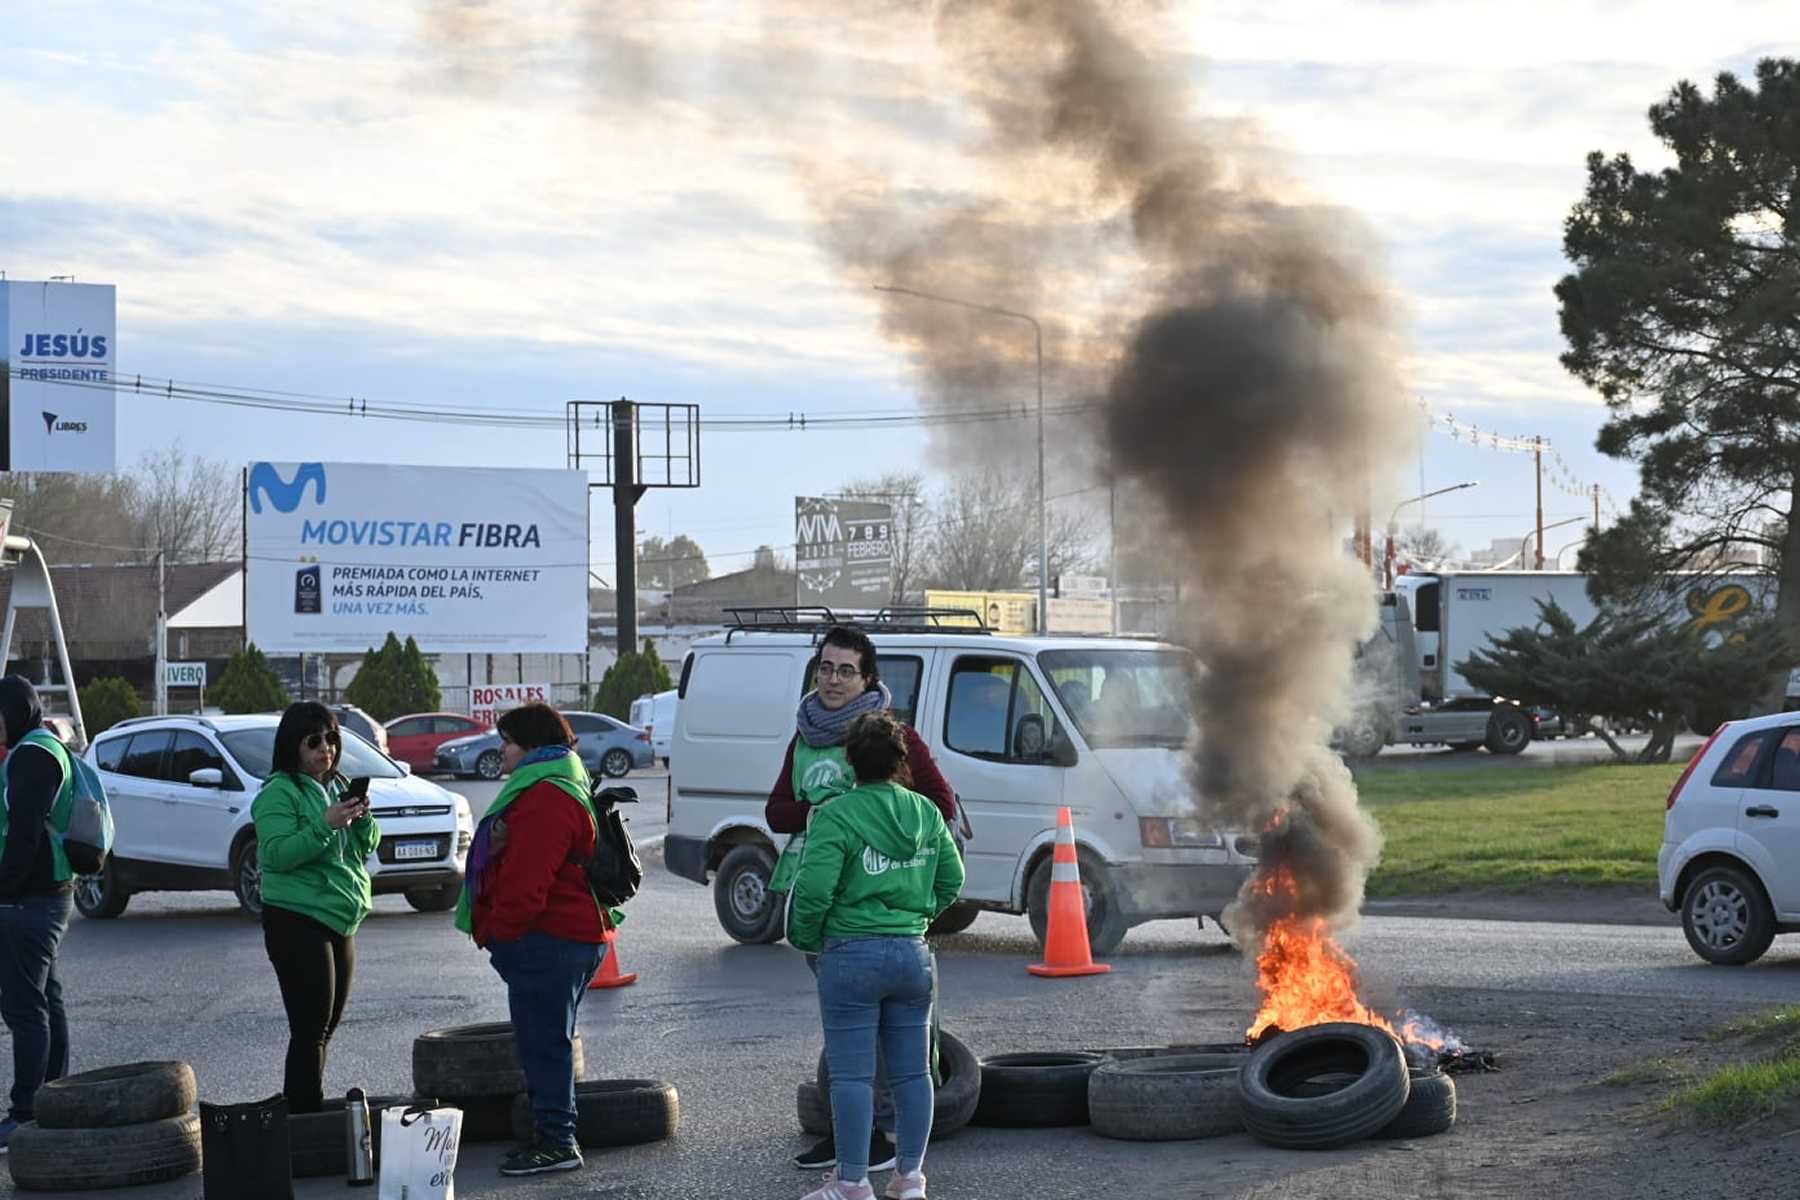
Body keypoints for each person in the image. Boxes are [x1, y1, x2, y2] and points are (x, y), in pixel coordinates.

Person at [766, 624, 958, 1172]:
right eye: (825, 668)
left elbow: (939, 803)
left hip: (879, 912)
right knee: (853, 1031)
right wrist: (825, 812)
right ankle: (868, 1143)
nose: (832, 679)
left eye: (845, 670)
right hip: (822, 903)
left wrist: (867, 815)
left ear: (867, 678)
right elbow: (777, 810)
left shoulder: (896, 736)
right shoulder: (803, 737)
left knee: (874, 1038)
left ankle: (876, 1143)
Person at [786, 711, 965, 1200]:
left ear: (850, 762)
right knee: (913, 1073)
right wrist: (920, 914)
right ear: (900, 760)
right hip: (912, 954)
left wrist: (808, 938)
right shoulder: (926, 813)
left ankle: (851, 1182)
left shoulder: (836, 814)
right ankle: (909, 1179)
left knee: (852, 1077)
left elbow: (813, 892)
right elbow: (953, 880)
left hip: (849, 956)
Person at [455, 702, 609, 1178]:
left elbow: (527, 883)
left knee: (544, 1044)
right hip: (558, 936)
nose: (501, 750)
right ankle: (553, 1136)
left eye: (508, 741)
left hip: (551, 938)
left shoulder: (545, 796)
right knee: (547, 1039)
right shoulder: (553, 784)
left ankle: (557, 1142)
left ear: (533, 747)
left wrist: (500, 935)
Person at [252, 702, 381, 1115]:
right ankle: (302, 1116)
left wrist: (360, 819)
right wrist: (325, 824)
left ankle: (305, 1110)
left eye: (331, 739)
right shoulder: (278, 791)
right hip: (295, 918)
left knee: (325, 1027)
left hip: (340, 916)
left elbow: (362, 849)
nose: (325, 749)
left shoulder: (333, 784)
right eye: (314, 741)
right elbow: (275, 855)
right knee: (309, 1028)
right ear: (293, 746)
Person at [0, 677, 79, 1149]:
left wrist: (3, 888)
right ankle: (55, 1100)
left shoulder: (32, 755)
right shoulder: (42, 745)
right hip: (47, 892)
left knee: (25, 1008)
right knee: (46, 999)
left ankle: (26, 1113)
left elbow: (25, 834)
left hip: (30, 897)